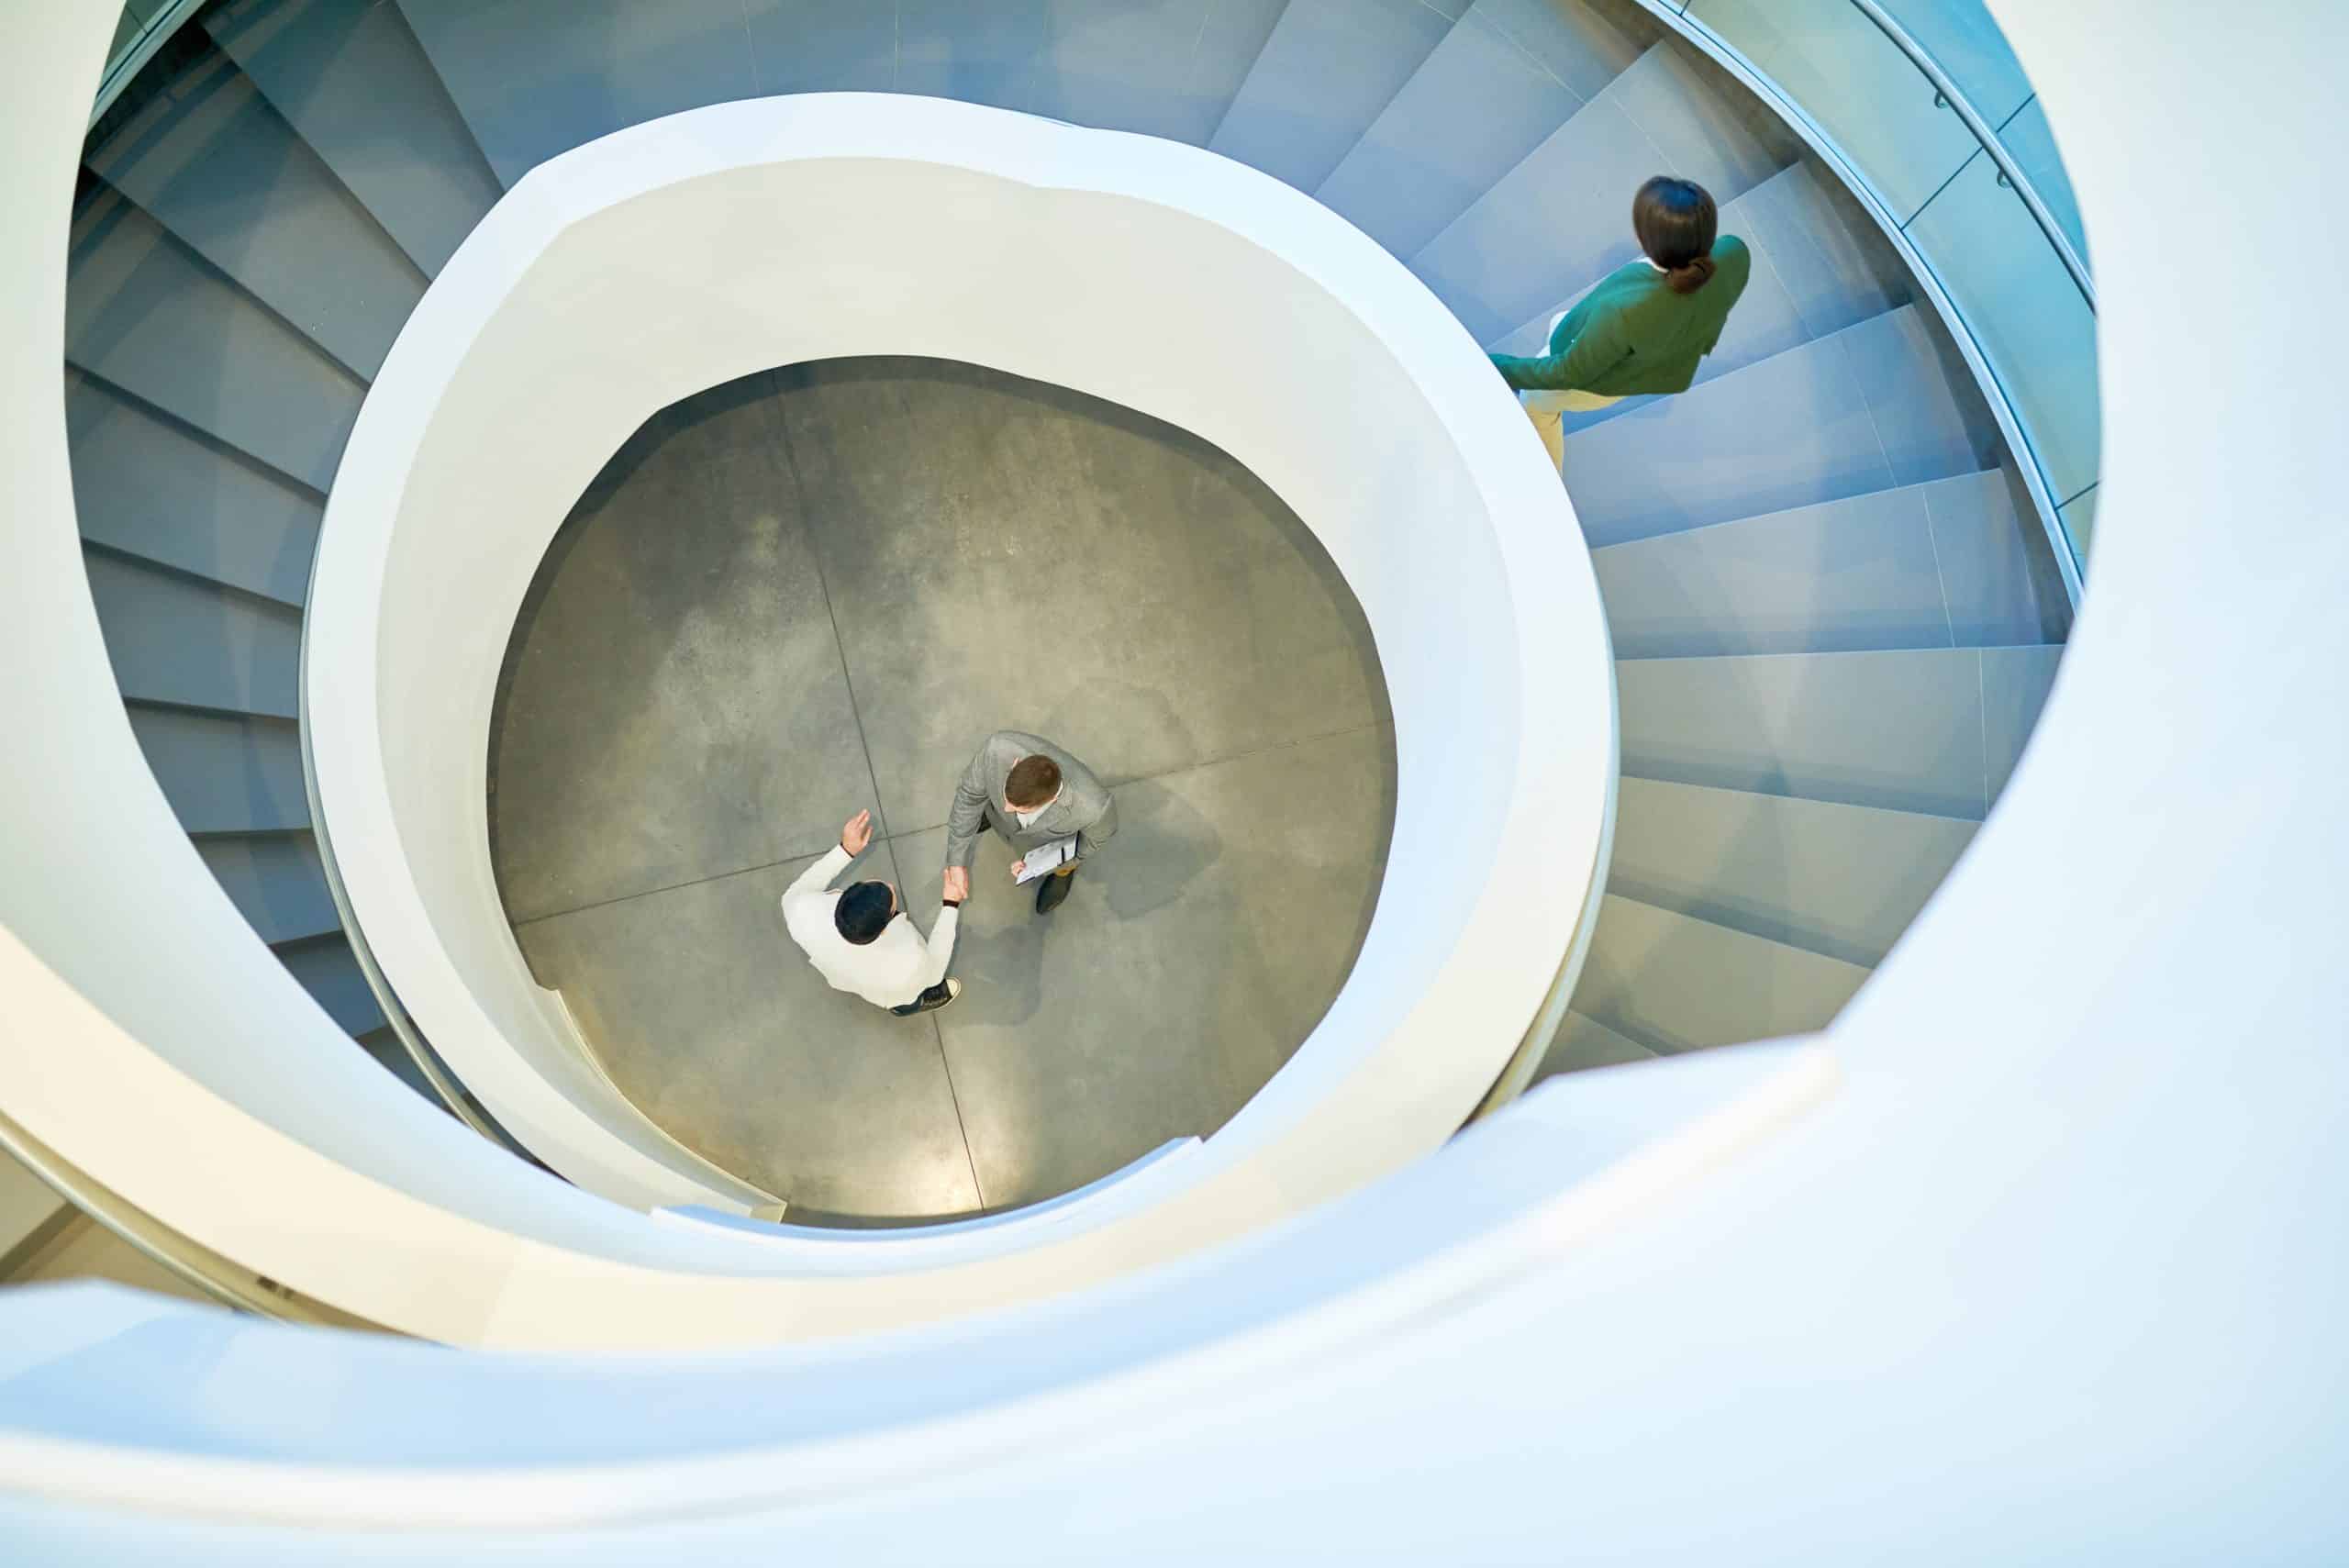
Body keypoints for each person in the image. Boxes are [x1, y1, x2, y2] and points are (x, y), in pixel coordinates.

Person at [1489, 174, 1753, 468]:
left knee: (1535, 403)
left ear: (1646, 240)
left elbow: (1565, 373)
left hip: (1593, 377)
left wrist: (1496, 366)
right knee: (1560, 321)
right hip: (1645, 354)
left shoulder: (1623, 312)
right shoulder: (1734, 252)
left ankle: (1548, 478)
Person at [781, 808, 963, 1016]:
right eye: (892, 906)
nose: (891, 886)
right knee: (906, 996)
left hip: (840, 971)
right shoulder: (909, 960)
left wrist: (846, 850)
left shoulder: (802, 910)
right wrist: (951, 904)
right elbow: (934, 973)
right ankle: (907, 1007)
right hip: (893, 988)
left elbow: (797, 891)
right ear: (883, 930)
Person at [943, 730, 1117, 917]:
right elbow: (969, 797)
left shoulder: (1095, 810)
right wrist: (956, 863)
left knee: (1067, 865)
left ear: (1051, 800)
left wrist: (1039, 865)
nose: (1006, 808)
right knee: (980, 813)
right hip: (1006, 818)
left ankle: (1062, 874)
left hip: (1047, 845)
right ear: (1017, 764)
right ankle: (993, 820)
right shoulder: (996, 751)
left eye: (1019, 808)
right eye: (1005, 797)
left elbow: (1088, 845)